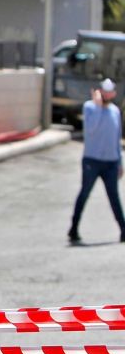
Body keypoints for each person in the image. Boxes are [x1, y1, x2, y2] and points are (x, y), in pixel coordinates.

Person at [68, 77, 125, 244]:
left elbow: (116, 139)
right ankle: (73, 229)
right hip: (92, 161)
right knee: (84, 194)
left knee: (114, 196)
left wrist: (120, 161)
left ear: (113, 93)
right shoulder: (90, 108)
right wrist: (99, 107)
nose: (107, 95)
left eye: (110, 92)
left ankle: (123, 230)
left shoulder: (115, 111)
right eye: (104, 91)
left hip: (111, 162)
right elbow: (91, 130)